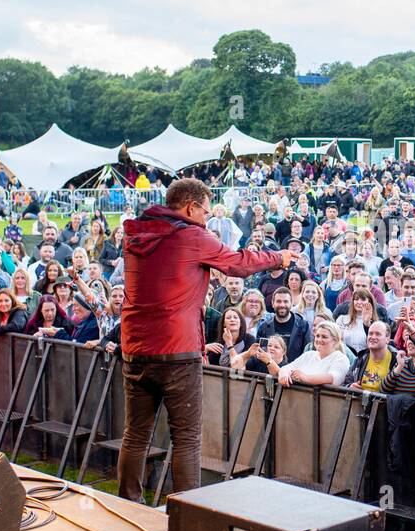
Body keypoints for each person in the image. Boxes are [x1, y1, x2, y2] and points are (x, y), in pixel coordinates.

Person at [117, 178, 290, 501]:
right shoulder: (192, 235)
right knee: (186, 439)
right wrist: (277, 258)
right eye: (206, 213)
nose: (208, 219)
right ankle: (186, 521)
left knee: (135, 434)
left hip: (135, 347)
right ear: (191, 207)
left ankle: (128, 506)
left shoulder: (135, 235)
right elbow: (238, 265)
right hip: (177, 350)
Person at [278, 319, 350, 387]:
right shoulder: (309, 355)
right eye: (317, 336)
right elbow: (286, 368)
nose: (319, 339)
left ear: (335, 341)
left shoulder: (341, 358)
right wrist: (284, 374)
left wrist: (306, 378)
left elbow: (332, 378)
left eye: (324, 337)